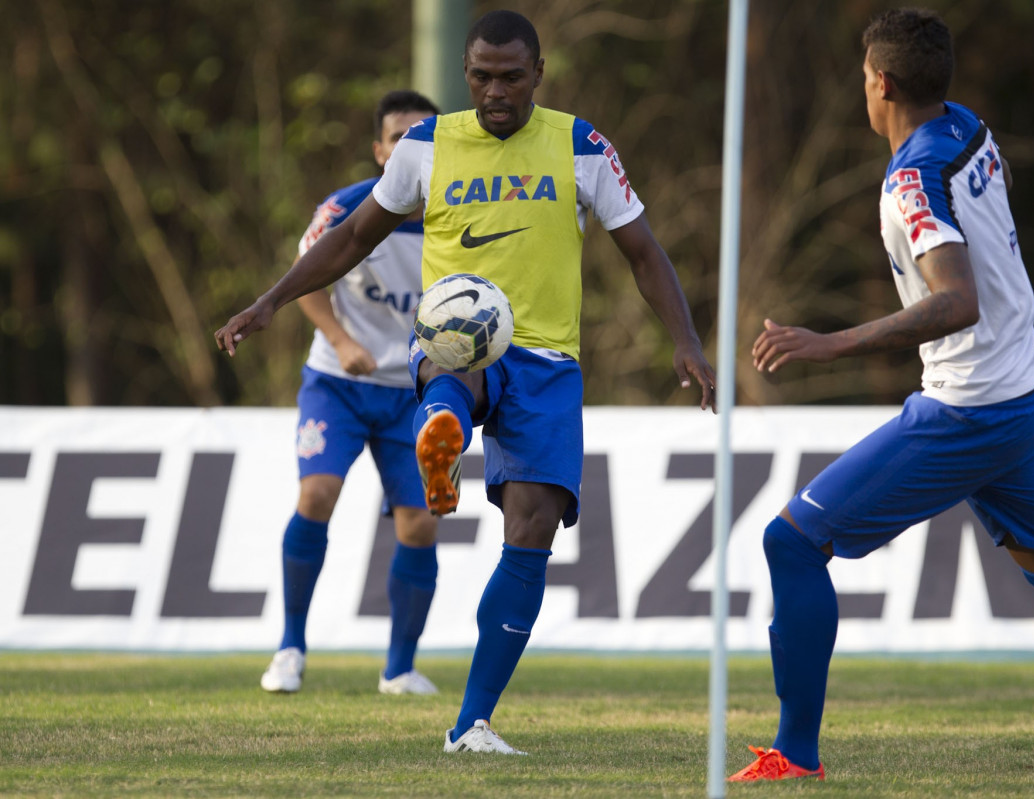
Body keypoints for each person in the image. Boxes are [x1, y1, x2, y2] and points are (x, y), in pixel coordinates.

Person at [217, 10, 716, 754]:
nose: (495, 90)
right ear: (466, 74)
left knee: (533, 530)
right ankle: (438, 429)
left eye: (511, 76)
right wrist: (271, 300)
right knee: (457, 366)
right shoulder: (424, 147)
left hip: (549, 361)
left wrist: (686, 341)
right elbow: (352, 238)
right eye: (481, 75)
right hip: (455, 336)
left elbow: (642, 252)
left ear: (538, 74)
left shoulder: (582, 146)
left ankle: (471, 723)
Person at [730, 7, 1034, 783]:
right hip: (1023, 388)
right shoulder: (966, 127)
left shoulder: (913, 178)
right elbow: (994, 198)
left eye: (862, 76)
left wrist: (828, 342)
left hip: (971, 407)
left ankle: (797, 753)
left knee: (792, 541)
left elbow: (957, 300)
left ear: (879, 83)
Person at [258, 90, 445, 698]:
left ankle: (400, 667)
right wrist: (339, 340)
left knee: (419, 525)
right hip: (338, 385)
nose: (411, 146)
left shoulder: (457, 214)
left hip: (411, 394)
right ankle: (289, 648)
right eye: (399, 137)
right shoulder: (346, 207)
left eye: (424, 135)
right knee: (317, 493)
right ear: (379, 149)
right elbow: (304, 280)